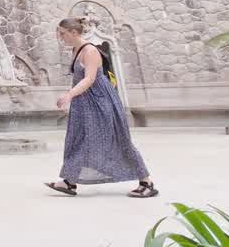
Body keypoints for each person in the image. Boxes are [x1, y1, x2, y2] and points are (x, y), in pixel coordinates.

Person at [45, 17, 158, 199]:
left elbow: (89, 79)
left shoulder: (90, 51)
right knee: (77, 139)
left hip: (100, 102)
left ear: (74, 32)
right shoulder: (75, 50)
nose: (60, 37)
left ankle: (147, 182)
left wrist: (69, 95)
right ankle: (69, 181)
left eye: (63, 33)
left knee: (118, 140)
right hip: (84, 103)